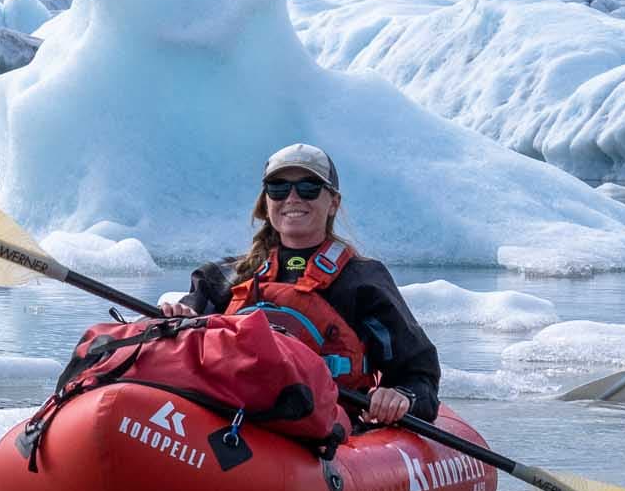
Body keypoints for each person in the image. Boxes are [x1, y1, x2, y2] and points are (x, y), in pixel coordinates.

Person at [163, 143, 441, 426]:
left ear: (333, 202)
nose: (292, 197)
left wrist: (401, 396)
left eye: (308, 187)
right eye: (278, 188)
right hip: (232, 420)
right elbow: (183, 339)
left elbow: (420, 376)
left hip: (323, 434)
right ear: (266, 201)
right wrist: (178, 318)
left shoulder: (362, 282)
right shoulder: (223, 277)